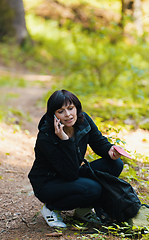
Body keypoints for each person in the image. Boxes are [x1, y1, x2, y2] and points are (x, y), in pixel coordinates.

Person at [28, 89, 123, 228]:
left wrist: (110, 150)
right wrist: (65, 141)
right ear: (53, 115)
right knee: (92, 188)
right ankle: (51, 208)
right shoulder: (46, 136)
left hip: (69, 173)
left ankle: (82, 210)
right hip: (47, 183)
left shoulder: (83, 120)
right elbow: (70, 174)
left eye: (70, 108)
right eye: (61, 111)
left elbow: (99, 142)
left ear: (76, 108)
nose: (68, 115)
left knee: (115, 164)